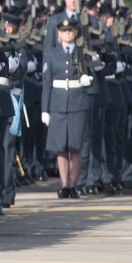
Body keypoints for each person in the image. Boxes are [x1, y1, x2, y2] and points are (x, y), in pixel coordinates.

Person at [41, 17, 92, 199]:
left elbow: (91, 72)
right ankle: (64, 184)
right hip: (58, 102)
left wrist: (88, 78)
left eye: (70, 31)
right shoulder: (52, 54)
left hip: (78, 101)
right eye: (64, 31)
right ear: (59, 34)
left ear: (76, 32)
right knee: (61, 147)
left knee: (76, 146)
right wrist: (44, 109)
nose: (67, 34)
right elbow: (47, 82)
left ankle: (74, 184)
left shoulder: (82, 52)